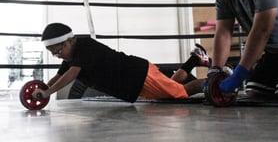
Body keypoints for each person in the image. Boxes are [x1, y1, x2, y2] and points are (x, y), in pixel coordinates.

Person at [32, 23, 209, 102]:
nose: (57, 55)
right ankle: (195, 58)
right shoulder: (70, 57)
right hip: (136, 81)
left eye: (58, 50)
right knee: (172, 88)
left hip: (139, 76)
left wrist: (47, 93)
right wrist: (44, 87)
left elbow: (71, 75)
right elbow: (60, 75)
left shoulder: (84, 46)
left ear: (69, 41)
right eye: (52, 53)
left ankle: (218, 81)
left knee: (181, 92)